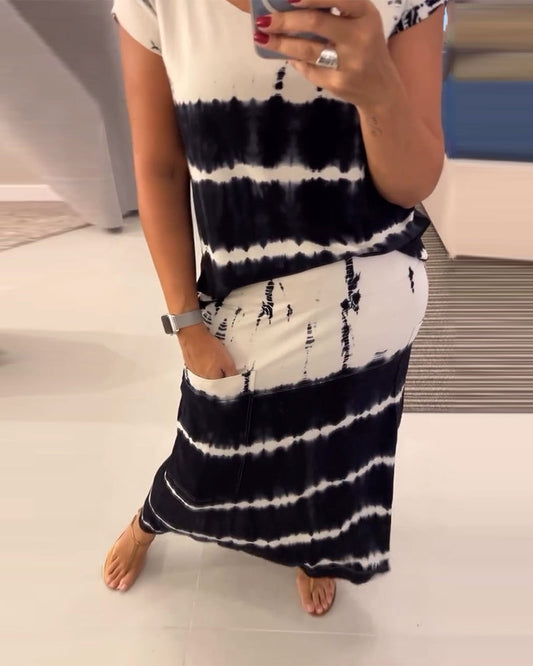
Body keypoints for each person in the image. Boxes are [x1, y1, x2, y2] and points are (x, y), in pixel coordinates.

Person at [103, 0, 446, 617]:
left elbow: (411, 184)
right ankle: (151, 520)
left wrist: (377, 90)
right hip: (243, 305)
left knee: (334, 462)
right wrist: (185, 322)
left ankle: (313, 548)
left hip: (370, 300)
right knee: (204, 461)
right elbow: (159, 167)